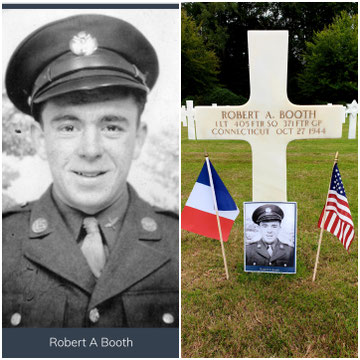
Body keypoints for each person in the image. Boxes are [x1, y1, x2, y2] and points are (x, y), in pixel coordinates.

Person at [3, 14, 178, 328]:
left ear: (138, 139)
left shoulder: (179, 242)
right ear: (39, 139)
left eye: (112, 126)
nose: (90, 149)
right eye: (68, 126)